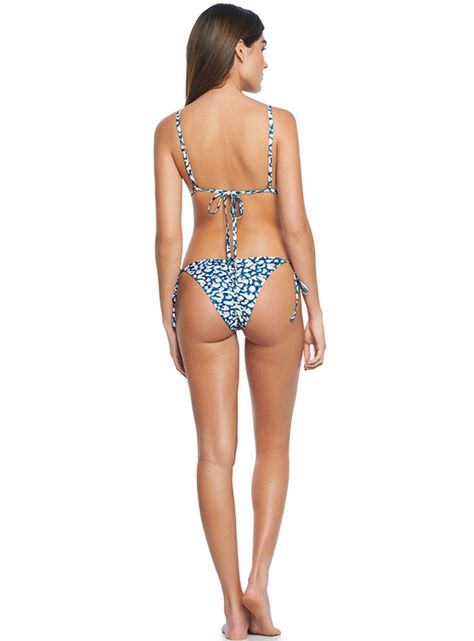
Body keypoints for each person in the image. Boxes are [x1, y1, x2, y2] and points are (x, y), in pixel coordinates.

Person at [153, 4, 326, 639]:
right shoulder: (278, 124)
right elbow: (296, 226)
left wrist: (169, 317)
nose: (266, 61)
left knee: (213, 453)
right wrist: (315, 306)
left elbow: (167, 238)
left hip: (200, 284)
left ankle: (231, 608)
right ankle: (258, 580)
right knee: (273, 444)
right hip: (271, 279)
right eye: (261, 48)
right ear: (237, 51)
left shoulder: (171, 131)